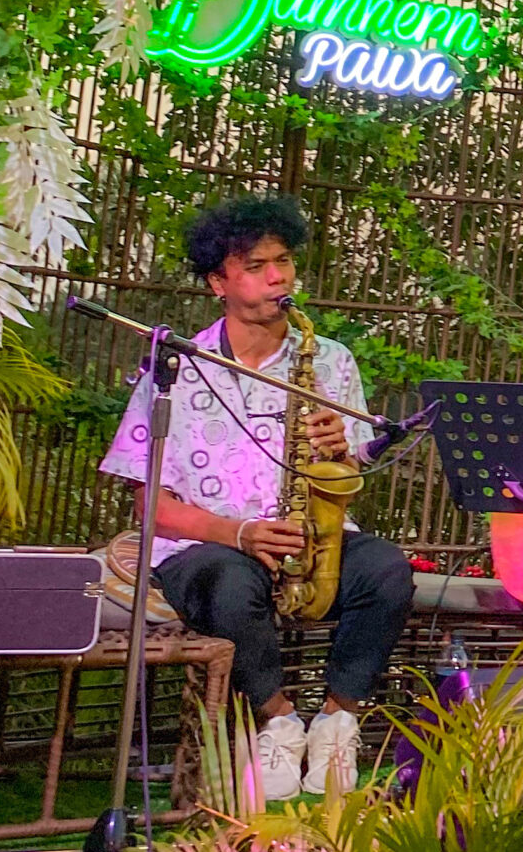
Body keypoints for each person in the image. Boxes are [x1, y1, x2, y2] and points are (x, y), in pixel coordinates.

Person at [98, 193, 413, 801]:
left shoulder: (331, 361)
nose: (278, 277)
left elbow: (347, 473)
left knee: (386, 570)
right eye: (256, 266)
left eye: (284, 261)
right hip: (210, 546)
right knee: (229, 580)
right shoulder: (175, 367)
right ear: (218, 282)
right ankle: (278, 723)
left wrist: (339, 449)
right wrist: (238, 534)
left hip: (309, 539)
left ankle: (337, 721)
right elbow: (149, 505)